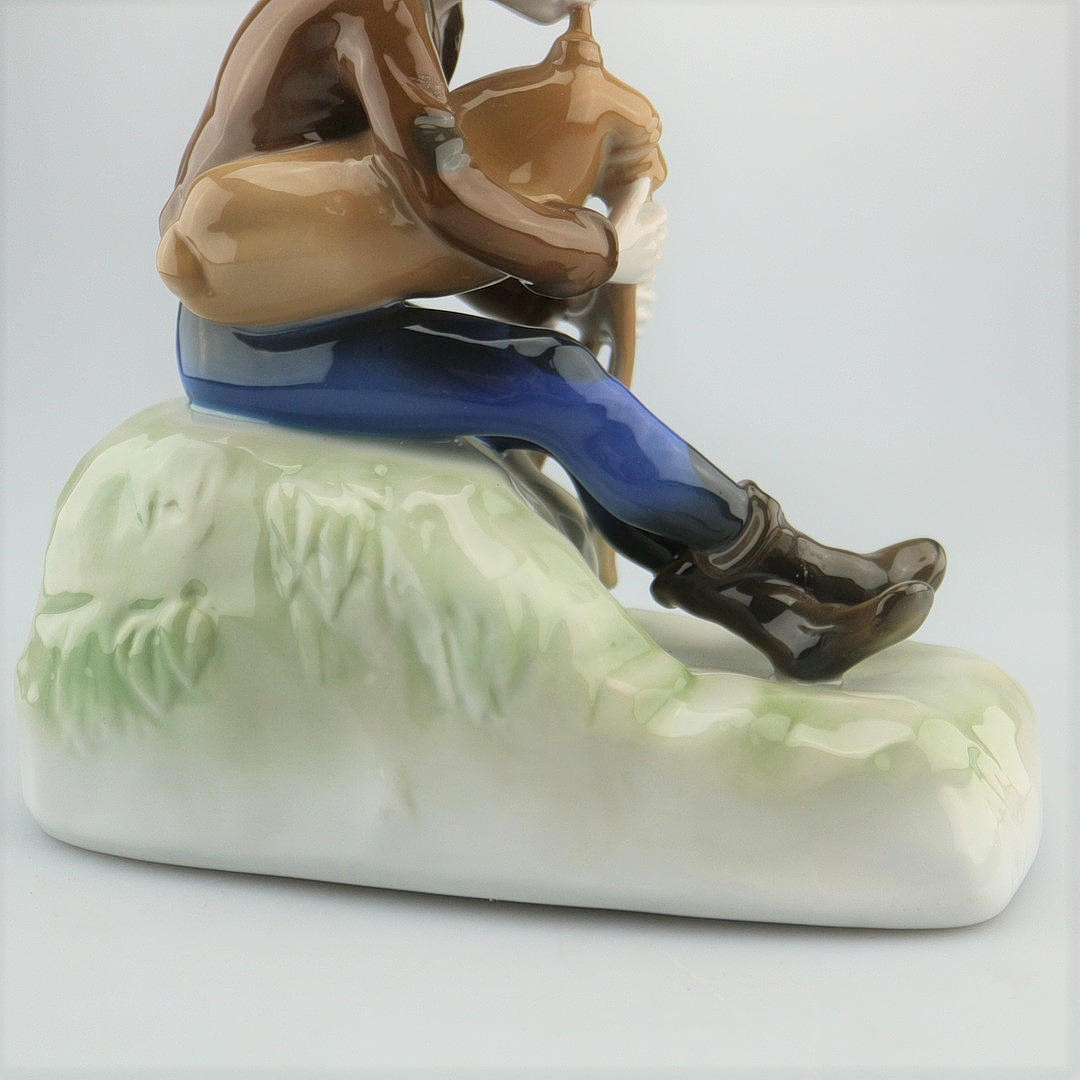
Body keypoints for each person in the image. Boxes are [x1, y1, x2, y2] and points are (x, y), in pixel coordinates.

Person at [159, 0, 945, 680]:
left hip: (320, 305)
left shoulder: (432, 11)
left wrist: (545, 292)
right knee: (559, 390)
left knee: (556, 389)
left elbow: (380, 239)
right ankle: (790, 562)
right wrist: (602, 251)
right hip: (255, 341)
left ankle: (785, 619)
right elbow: (434, 193)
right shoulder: (381, 9)